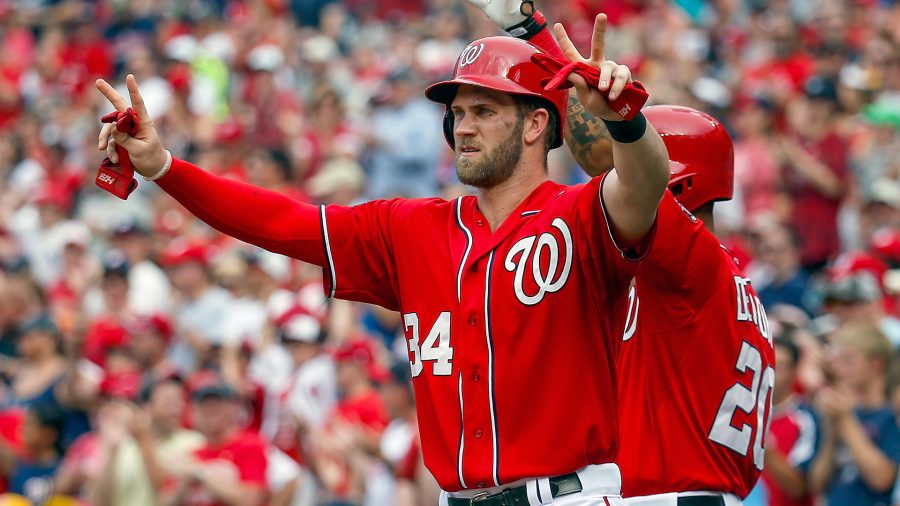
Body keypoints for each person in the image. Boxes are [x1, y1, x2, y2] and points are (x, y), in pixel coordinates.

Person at [94, 15, 670, 505]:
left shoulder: (580, 215)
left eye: (484, 110)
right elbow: (280, 222)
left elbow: (645, 185)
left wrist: (624, 121)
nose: (462, 126)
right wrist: (166, 166)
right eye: (458, 111)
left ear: (535, 123)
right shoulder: (411, 227)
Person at [466, 3, 774, 504]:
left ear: (673, 180)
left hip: (664, 496)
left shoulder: (688, 257)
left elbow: (604, 159)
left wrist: (535, 33)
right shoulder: (726, 277)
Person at [809, 323, 900, 505]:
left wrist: (846, 422)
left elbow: (882, 480)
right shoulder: (839, 410)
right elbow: (816, 483)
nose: (840, 369)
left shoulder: (892, 416)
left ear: (877, 363)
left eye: (849, 360)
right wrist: (832, 433)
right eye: (839, 361)